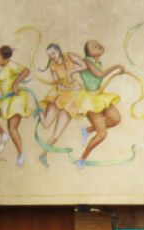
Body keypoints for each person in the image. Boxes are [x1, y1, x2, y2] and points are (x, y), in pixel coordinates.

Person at [75, 40, 124, 169]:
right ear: (88, 52)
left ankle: (87, 130)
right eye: (93, 45)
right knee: (102, 134)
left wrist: (117, 72)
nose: (97, 45)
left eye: (97, 43)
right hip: (90, 100)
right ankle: (82, 158)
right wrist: (117, 67)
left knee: (116, 119)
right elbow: (99, 74)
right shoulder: (86, 61)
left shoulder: (99, 62)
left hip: (99, 96)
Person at [37, 43, 85, 167]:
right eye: (49, 55)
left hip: (71, 100)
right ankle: (40, 110)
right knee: (46, 125)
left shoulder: (70, 56)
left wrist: (71, 72)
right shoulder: (53, 67)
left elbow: (84, 66)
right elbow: (57, 84)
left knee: (57, 135)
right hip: (59, 95)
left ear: (59, 51)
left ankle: (43, 154)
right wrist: (66, 86)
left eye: (53, 53)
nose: (52, 56)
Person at [0, 45, 32, 166]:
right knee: (9, 130)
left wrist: (15, 84)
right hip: (5, 100)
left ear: (4, 58)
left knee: (12, 129)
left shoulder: (11, 65)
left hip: (16, 99)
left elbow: (26, 70)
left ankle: (20, 153)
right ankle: (3, 134)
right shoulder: (0, 67)